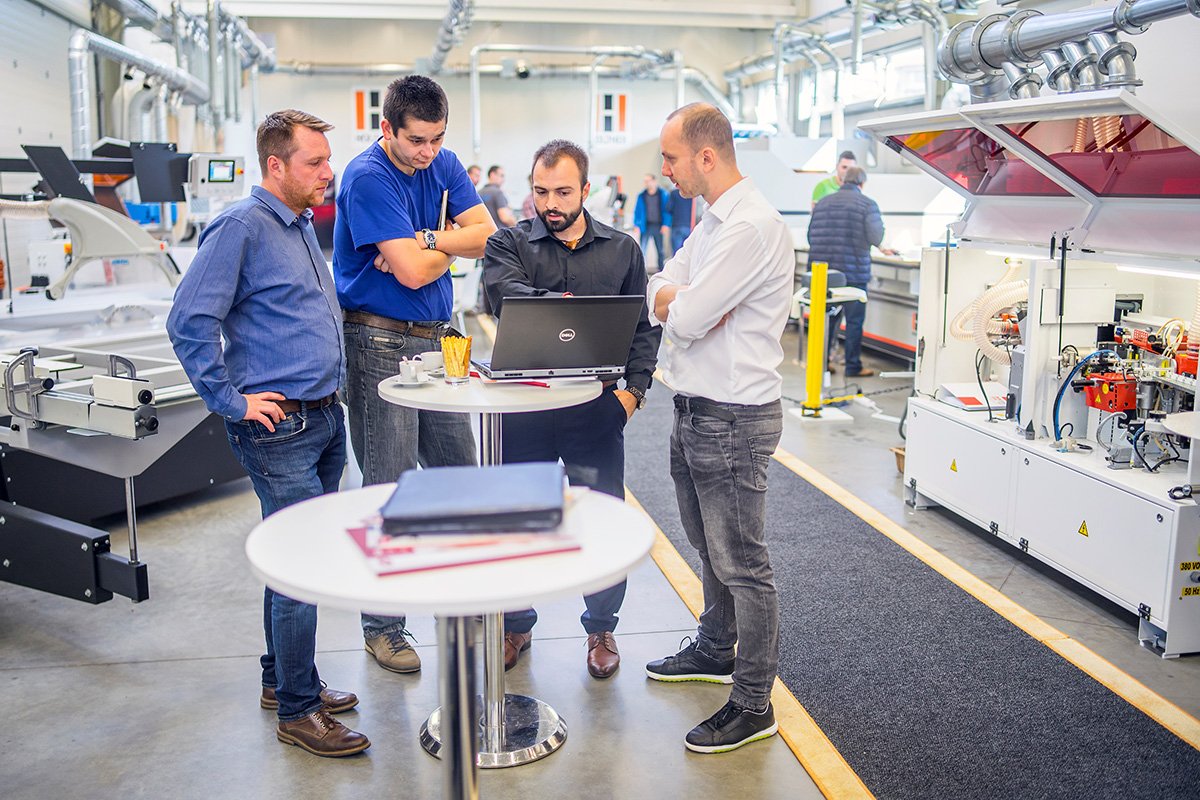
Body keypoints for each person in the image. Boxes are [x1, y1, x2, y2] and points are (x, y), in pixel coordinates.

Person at [167, 110, 369, 758]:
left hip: (323, 417)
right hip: (280, 428)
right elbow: (188, 321)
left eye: (328, 159)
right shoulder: (241, 227)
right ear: (275, 165)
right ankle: (299, 711)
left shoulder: (301, 223)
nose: (328, 171)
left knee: (293, 557)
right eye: (315, 161)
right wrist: (230, 401)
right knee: (300, 565)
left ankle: (281, 679)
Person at [644, 103, 794, 754]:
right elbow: (662, 287)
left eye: (671, 158)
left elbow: (685, 316)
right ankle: (714, 648)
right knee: (709, 549)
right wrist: (681, 299)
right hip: (695, 411)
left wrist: (682, 302)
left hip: (733, 419)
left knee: (743, 565)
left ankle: (753, 702)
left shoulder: (751, 228)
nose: (665, 170)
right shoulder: (713, 222)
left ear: (706, 156)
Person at [334, 75, 496, 673]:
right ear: (387, 129)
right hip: (378, 340)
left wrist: (428, 239)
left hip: (436, 340)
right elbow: (409, 273)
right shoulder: (367, 177)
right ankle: (383, 627)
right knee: (391, 485)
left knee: (459, 476)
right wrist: (450, 245)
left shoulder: (444, 163)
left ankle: (464, 602)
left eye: (437, 139)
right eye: (416, 141)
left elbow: (490, 237)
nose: (428, 152)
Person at [482, 139, 661, 679]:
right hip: (524, 408)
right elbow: (506, 297)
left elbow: (642, 327)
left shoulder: (622, 251)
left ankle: (601, 627)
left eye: (562, 192)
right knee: (518, 520)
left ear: (586, 189)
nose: (550, 203)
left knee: (602, 518)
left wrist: (633, 392)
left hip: (594, 408)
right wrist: (573, 310)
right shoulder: (508, 243)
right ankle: (516, 624)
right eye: (540, 192)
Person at [807, 166, 896, 378]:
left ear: (842, 181)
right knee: (854, 321)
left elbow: (811, 236)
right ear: (862, 184)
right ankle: (853, 366)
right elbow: (876, 236)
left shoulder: (823, 203)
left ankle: (821, 364)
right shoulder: (867, 204)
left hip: (824, 274)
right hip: (853, 272)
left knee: (827, 319)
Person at [631, 173, 671, 273]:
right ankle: (641, 272)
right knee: (642, 250)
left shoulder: (663, 194)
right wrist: (636, 224)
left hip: (658, 226)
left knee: (660, 250)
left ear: (654, 181)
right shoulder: (641, 196)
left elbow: (667, 211)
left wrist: (666, 224)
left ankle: (662, 271)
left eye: (648, 181)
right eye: (645, 181)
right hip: (646, 226)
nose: (647, 183)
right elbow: (637, 211)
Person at [666, 186, 701, 256]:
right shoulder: (693, 194)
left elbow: (668, 208)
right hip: (689, 226)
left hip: (677, 225)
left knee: (677, 252)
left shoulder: (674, 193)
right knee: (688, 252)